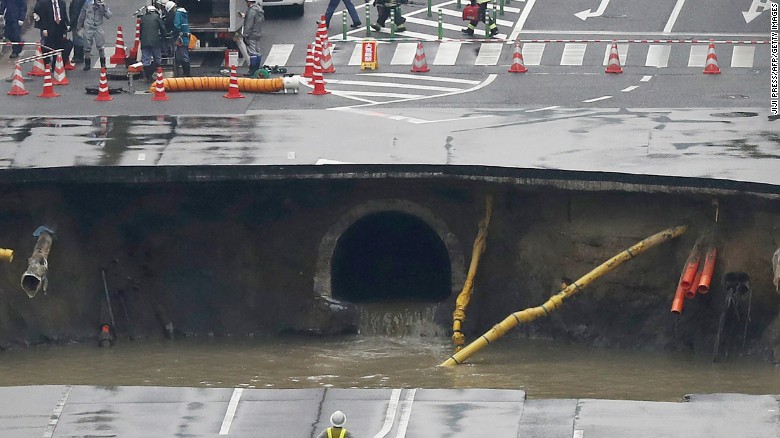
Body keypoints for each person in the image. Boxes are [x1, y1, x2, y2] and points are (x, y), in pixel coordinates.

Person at [34, 0, 73, 68]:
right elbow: (43, 17)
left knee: (59, 46)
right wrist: (44, 28)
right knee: (48, 46)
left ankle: (56, 65)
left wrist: (67, 24)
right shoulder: (45, 3)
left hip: (59, 27)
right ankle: (46, 63)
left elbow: (64, 15)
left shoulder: (62, 3)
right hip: (49, 27)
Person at [76, 0, 111, 70]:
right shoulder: (87, 3)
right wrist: (79, 26)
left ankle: (103, 64)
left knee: (101, 46)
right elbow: (82, 15)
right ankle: (87, 64)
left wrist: (104, 7)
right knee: (87, 47)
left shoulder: (103, 5)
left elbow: (108, 16)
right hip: (88, 27)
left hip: (98, 27)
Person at [138, 4, 165, 81]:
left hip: (144, 42)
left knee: (146, 60)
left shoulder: (143, 18)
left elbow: (141, 30)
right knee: (158, 59)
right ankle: (149, 74)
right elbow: (163, 29)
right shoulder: (157, 17)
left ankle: (148, 76)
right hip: (155, 42)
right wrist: (164, 37)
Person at [241, 0, 263, 77]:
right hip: (258, 33)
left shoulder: (251, 11)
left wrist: (245, 35)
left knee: (252, 52)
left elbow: (249, 24)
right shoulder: (259, 9)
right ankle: (257, 69)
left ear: (249, 2)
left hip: (252, 34)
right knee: (257, 51)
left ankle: (252, 70)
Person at [170, 1, 191, 76]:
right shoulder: (183, 13)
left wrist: (173, 34)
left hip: (181, 38)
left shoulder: (178, 14)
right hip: (184, 37)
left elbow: (177, 25)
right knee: (181, 55)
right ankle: (185, 72)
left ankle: (187, 73)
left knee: (183, 55)